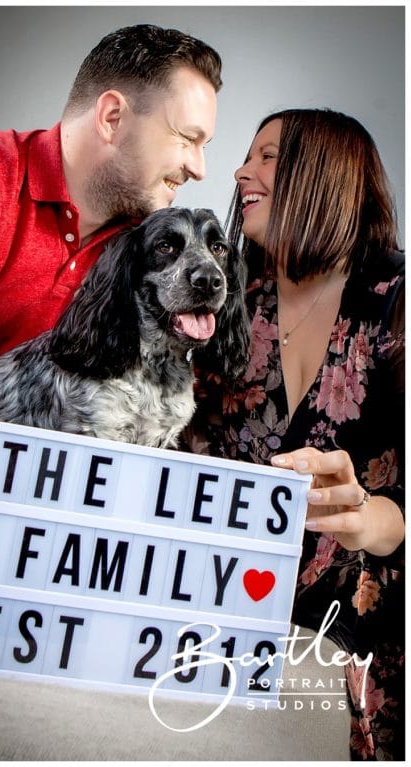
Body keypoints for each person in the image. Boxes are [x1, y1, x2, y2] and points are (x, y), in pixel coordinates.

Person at [0, 23, 223, 670]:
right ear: (111, 116)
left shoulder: (153, 245)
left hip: (54, 540)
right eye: (187, 138)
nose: (199, 167)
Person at [189, 109, 404, 760]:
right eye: (247, 156)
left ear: (325, 174)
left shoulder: (394, 298)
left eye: (268, 156)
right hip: (223, 614)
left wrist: (365, 518)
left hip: (359, 631)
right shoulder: (222, 300)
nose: (240, 171)